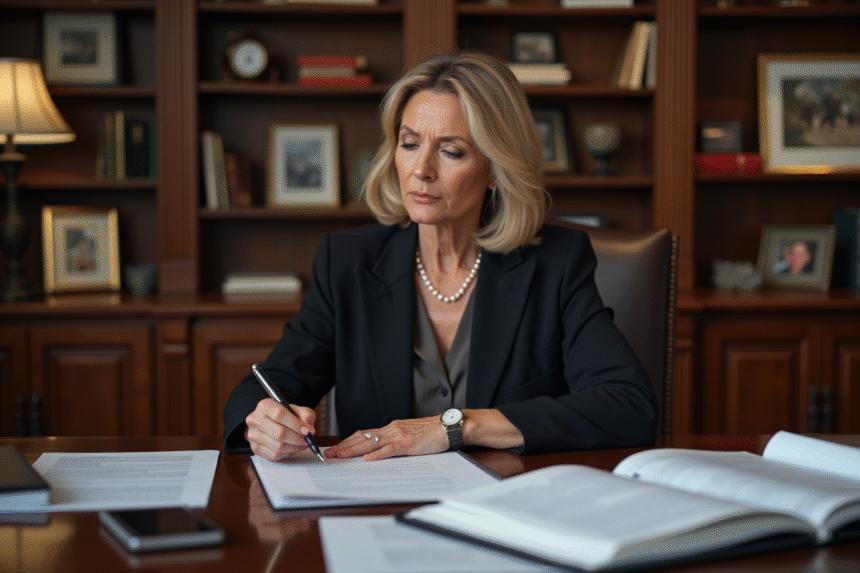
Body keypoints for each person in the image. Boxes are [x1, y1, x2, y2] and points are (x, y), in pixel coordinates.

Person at [222, 51, 657, 462]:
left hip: (504, 507)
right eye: (410, 144)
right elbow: (264, 387)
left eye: (451, 151)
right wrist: (259, 423)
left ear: (494, 169)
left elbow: (629, 406)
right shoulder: (348, 262)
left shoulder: (556, 264)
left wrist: (457, 426)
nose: (421, 169)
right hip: (375, 508)